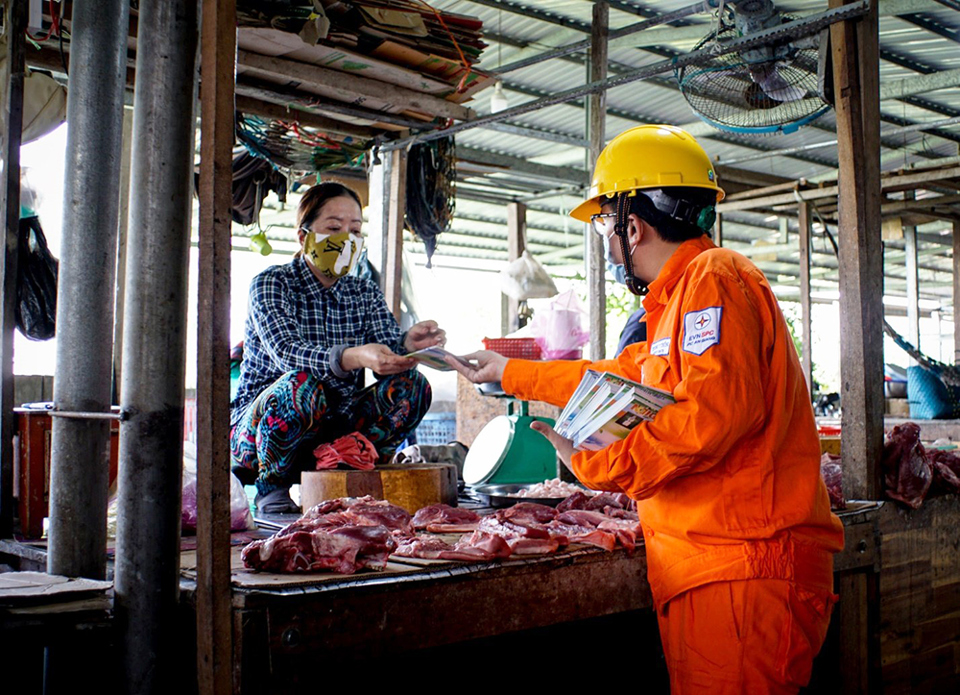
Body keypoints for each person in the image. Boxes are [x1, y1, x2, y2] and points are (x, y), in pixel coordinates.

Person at [450, 125, 844, 694]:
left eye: (606, 227)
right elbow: (620, 377)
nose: (609, 246)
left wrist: (599, 464)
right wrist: (510, 372)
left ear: (632, 225)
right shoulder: (678, 301)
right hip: (714, 569)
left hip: (743, 571)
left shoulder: (715, 280)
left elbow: (710, 417)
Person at [231, 182, 443, 514]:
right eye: (333, 228)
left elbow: (385, 349)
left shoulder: (363, 292)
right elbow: (286, 352)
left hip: (334, 424)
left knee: (413, 387)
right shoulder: (272, 283)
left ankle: (352, 469)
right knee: (301, 386)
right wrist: (353, 356)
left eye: (355, 230)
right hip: (261, 435)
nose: (346, 238)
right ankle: (272, 490)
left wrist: (407, 345)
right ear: (304, 237)